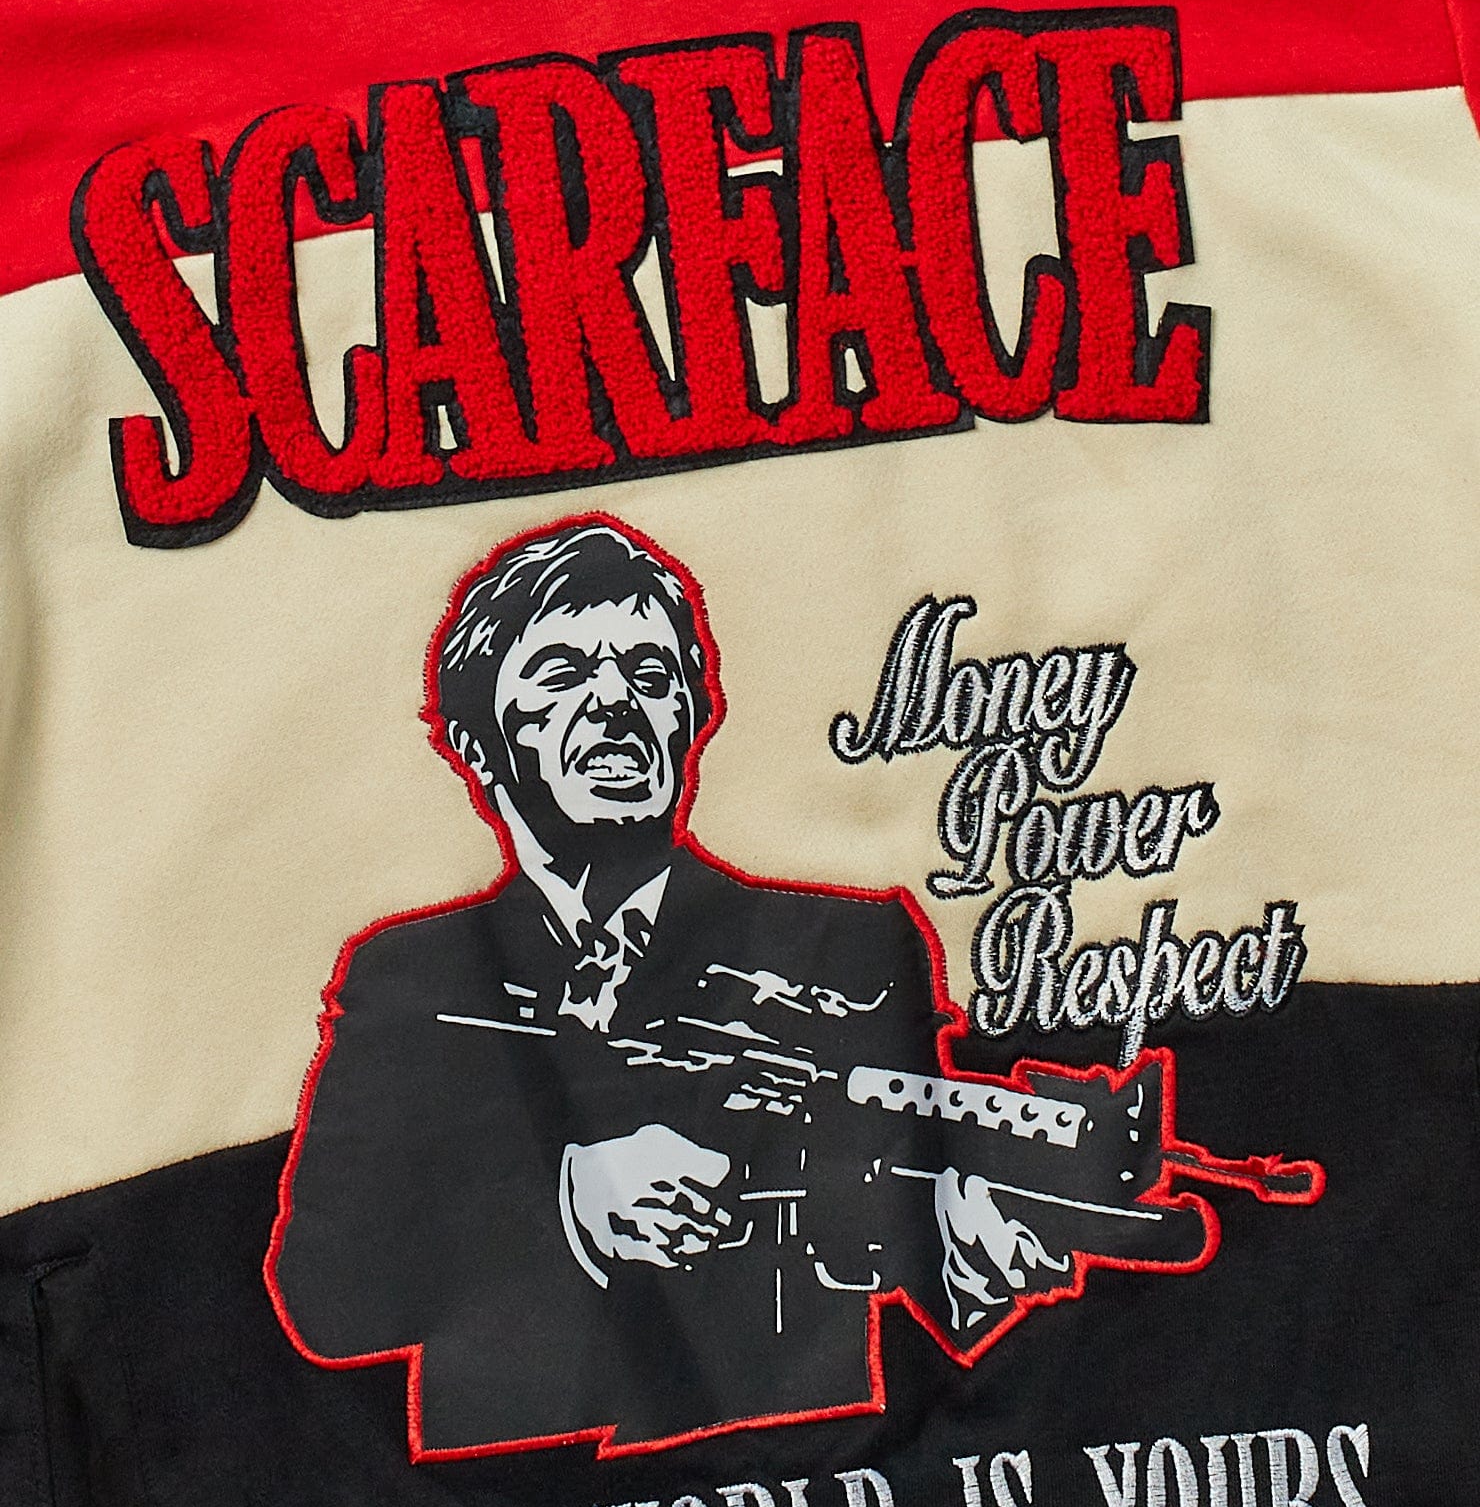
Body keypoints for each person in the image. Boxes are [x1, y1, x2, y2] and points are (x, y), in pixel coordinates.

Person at [268, 516, 1201, 1455]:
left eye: (649, 674)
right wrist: (571, 1203)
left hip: (800, 1504)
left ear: (692, 717)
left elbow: (893, 1251)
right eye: (562, 675)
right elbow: (326, 1298)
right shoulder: (412, 977)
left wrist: (959, 1270)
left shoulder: (849, 951)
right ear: (476, 740)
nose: (614, 702)